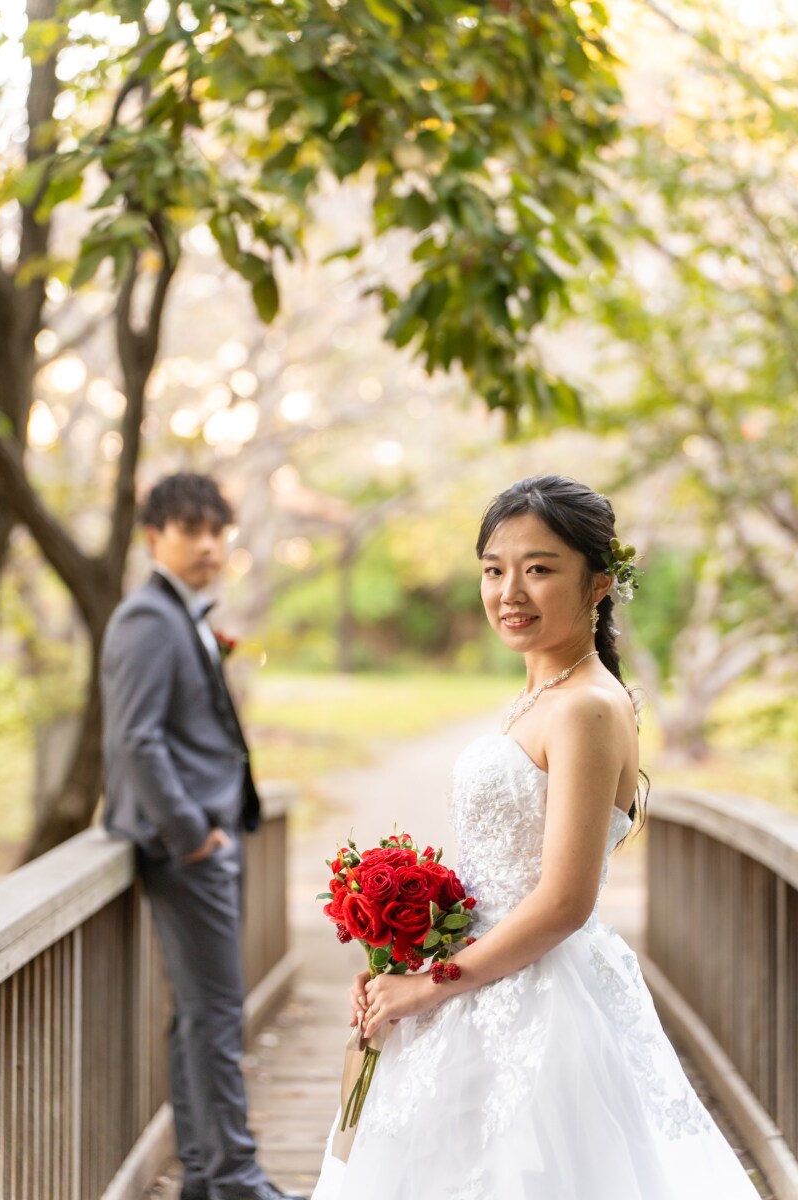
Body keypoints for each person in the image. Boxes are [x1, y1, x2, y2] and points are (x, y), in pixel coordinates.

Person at [311, 474, 760, 1199]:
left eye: (539, 569)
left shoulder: (584, 707)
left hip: (536, 991)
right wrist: (408, 938)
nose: (509, 592)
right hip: (481, 968)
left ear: (599, 585)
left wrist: (428, 987)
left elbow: (564, 902)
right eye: (494, 570)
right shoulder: (540, 696)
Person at [101, 473, 304, 1200]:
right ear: (155, 537)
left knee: (199, 1017)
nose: (210, 545)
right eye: (192, 530)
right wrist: (193, 836)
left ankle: (209, 1178)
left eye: (219, 531)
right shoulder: (148, 620)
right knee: (216, 1015)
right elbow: (136, 739)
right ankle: (232, 1177)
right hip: (188, 848)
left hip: (201, 840)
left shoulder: (178, 613)